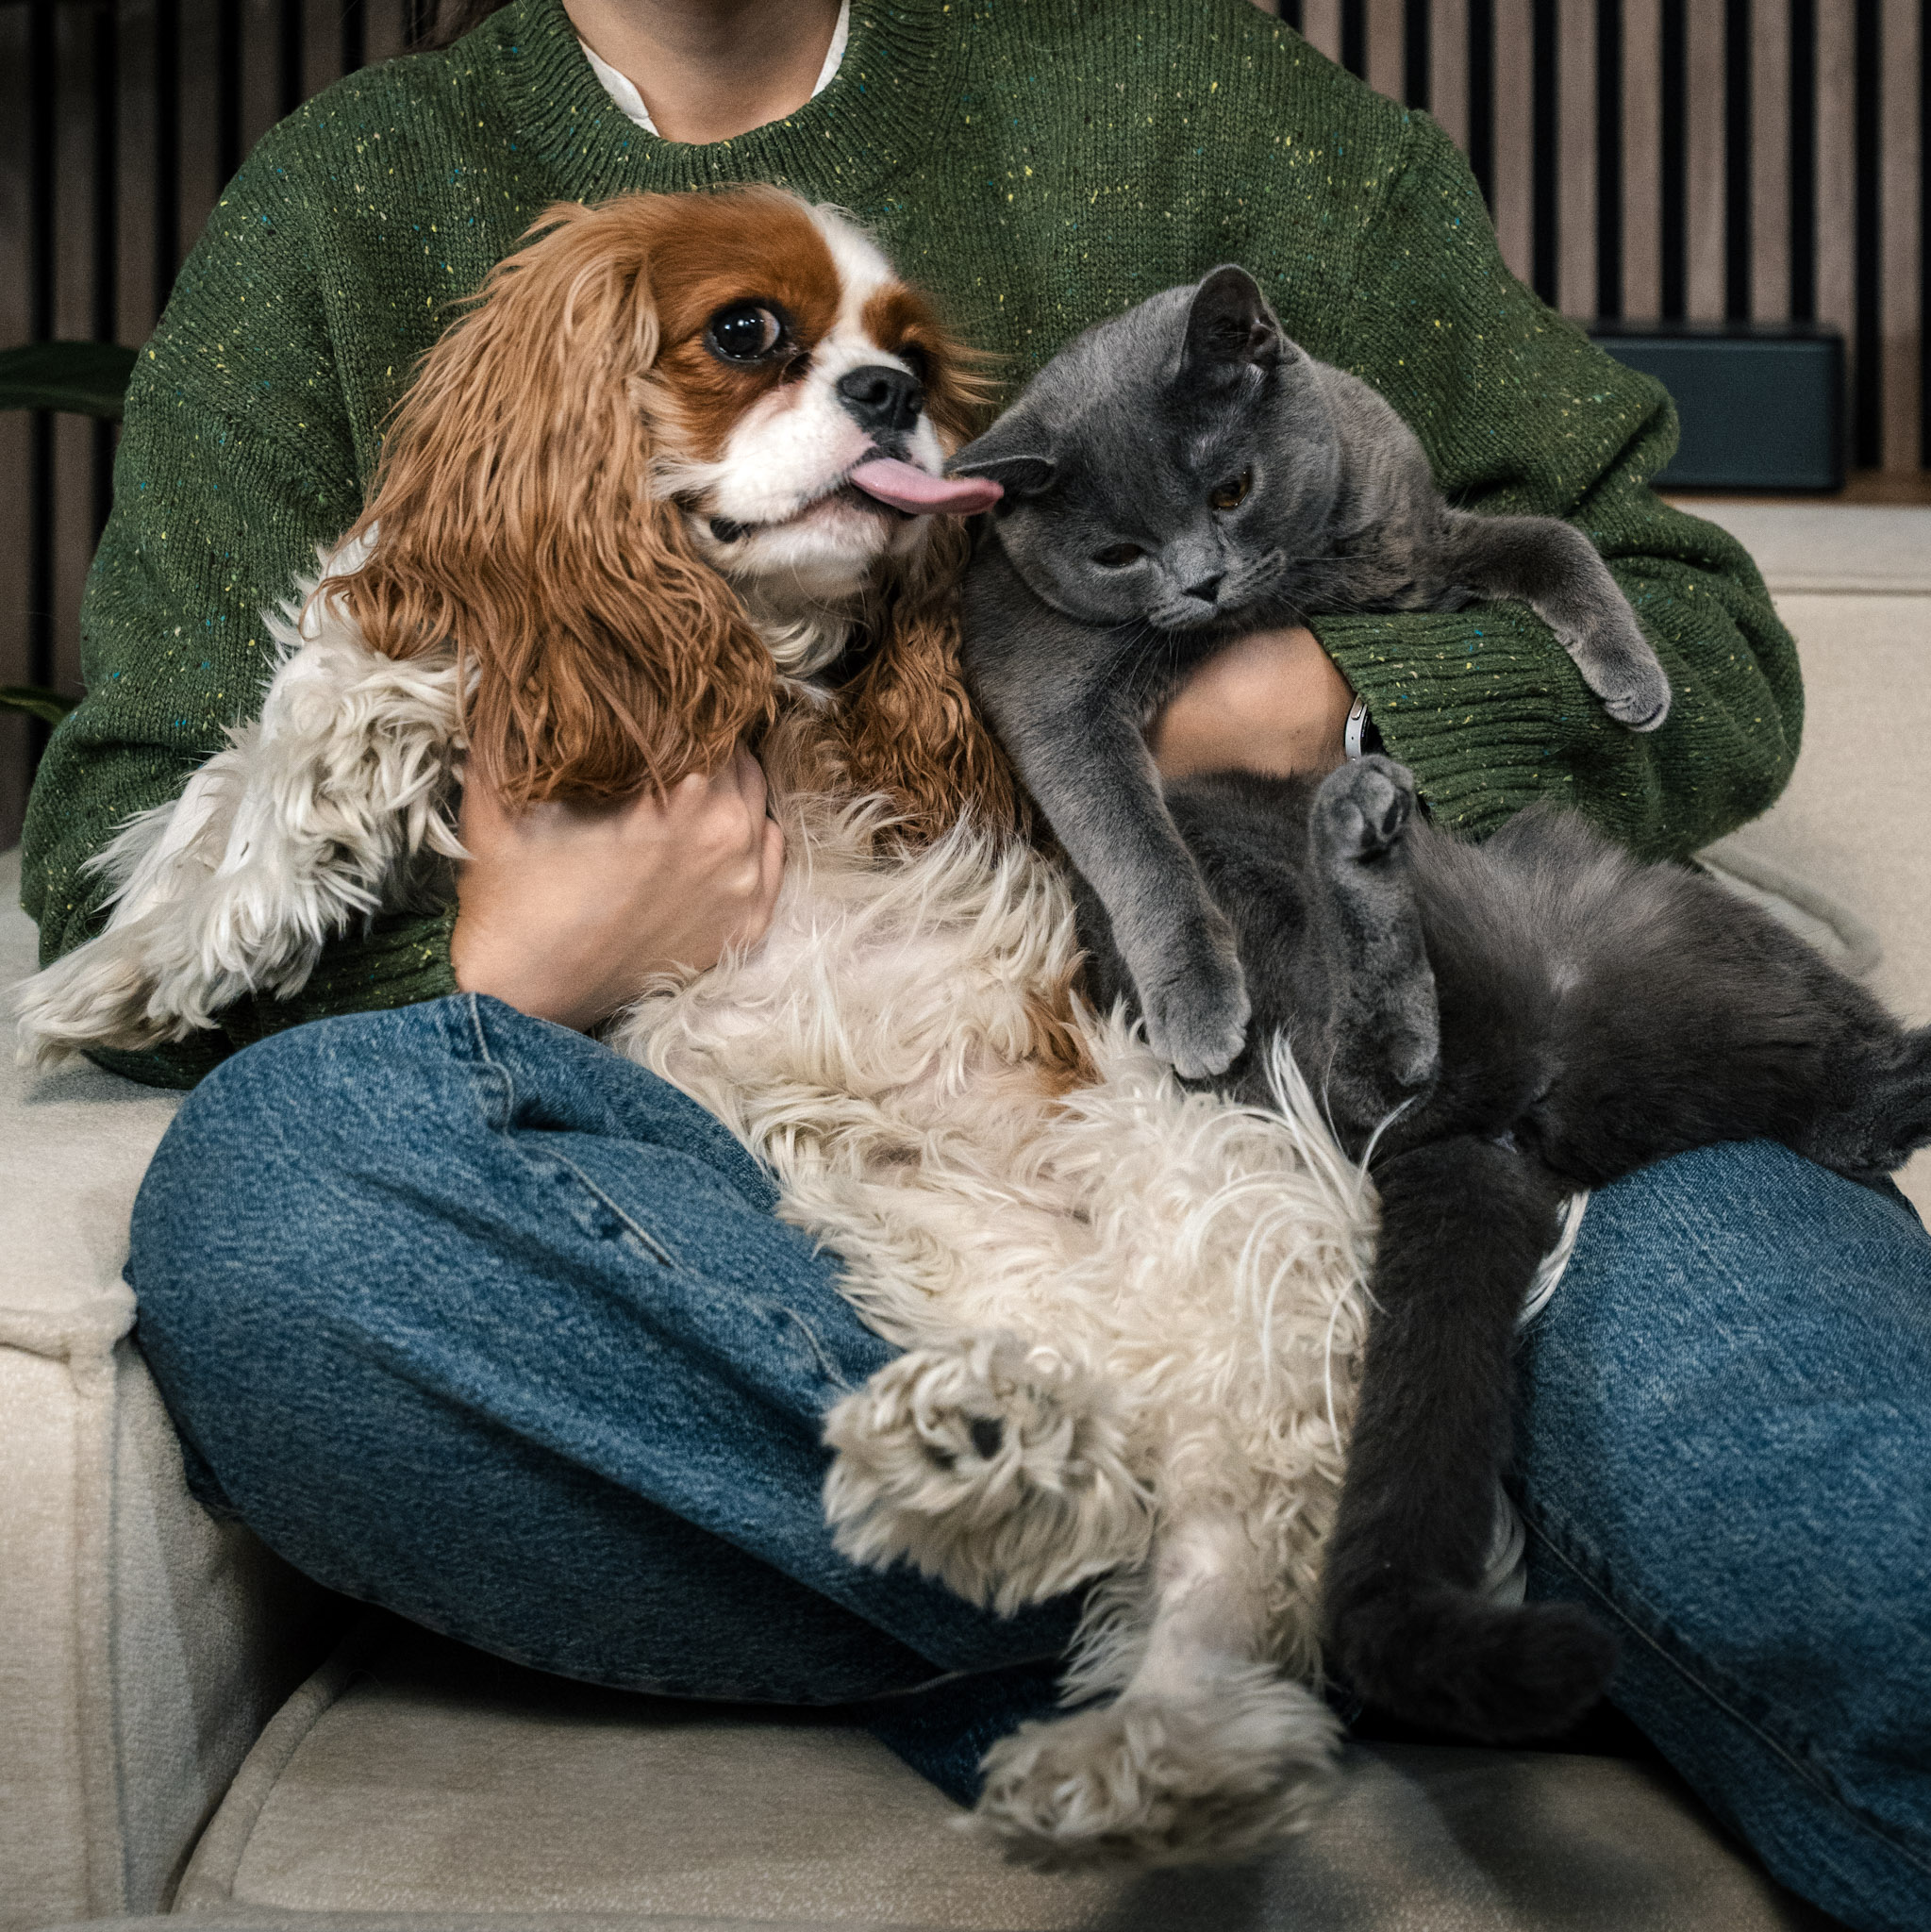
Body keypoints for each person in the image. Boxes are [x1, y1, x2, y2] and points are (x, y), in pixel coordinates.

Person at [19, 1, 1929, 1924]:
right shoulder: (356, 200)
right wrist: (503, 964)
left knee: (1854, 1541)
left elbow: (1698, 644)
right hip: (801, 1230)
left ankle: (1233, 1575)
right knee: (288, 1210)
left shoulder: (1195, 91)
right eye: (748, 339)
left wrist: (1308, 694)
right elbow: (121, 871)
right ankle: (1256, 1574)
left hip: (1491, 1121)